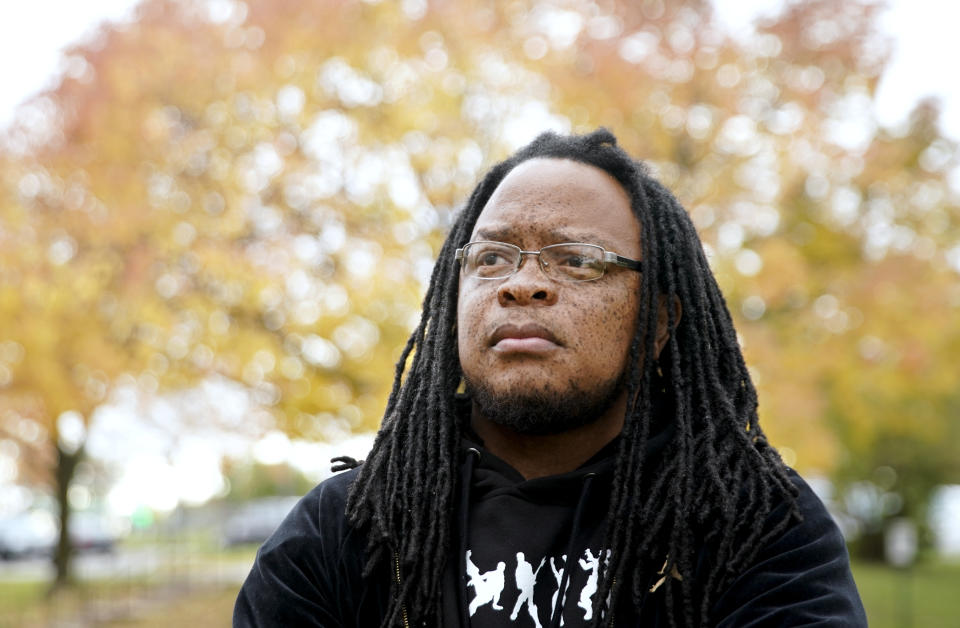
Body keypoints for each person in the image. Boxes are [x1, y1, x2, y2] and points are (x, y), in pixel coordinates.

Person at [234, 129, 867, 627]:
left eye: (577, 260)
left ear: (658, 322)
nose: (521, 283)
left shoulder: (752, 525)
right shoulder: (345, 529)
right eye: (491, 257)